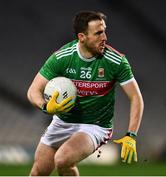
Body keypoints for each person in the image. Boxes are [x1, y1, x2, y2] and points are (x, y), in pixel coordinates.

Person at [27, 11, 144, 176]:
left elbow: (136, 97)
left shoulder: (116, 61)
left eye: (104, 31)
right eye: (98, 33)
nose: (104, 37)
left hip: (95, 125)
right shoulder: (62, 57)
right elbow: (33, 90)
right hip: (63, 121)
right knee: (38, 172)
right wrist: (45, 106)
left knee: (62, 159)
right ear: (82, 37)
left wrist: (131, 134)